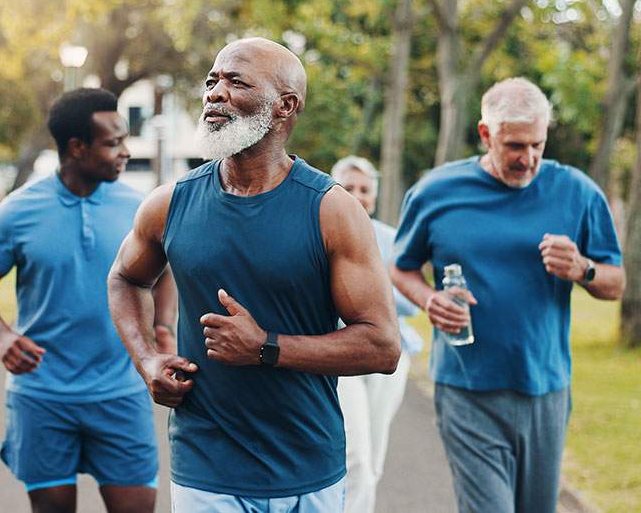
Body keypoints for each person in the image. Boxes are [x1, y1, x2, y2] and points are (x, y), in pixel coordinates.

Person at [108, 37, 401, 512]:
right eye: (211, 81)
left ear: (286, 105)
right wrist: (146, 360)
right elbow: (125, 278)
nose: (215, 93)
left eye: (235, 81)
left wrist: (266, 347)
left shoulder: (331, 210)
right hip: (206, 465)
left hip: (308, 466)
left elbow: (382, 346)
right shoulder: (170, 203)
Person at [390, 77, 626, 513]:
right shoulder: (435, 193)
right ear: (485, 134)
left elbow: (616, 283)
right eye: (515, 146)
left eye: (537, 144)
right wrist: (429, 300)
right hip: (465, 387)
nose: (529, 158)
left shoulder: (576, 191)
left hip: (545, 388)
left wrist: (583, 269)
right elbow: (401, 268)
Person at [0, 88, 176, 513]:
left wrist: (163, 329)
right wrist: (2, 337)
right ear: (77, 148)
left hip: (120, 393)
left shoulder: (140, 210)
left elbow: (165, 272)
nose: (126, 152)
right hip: (42, 396)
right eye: (113, 143)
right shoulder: (18, 211)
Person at [330, 156, 423, 513]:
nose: (358, 195)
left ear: (375, 194)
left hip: (390, 355)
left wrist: (369, 297)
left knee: (374, 458)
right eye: (349, 187)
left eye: (365, 189)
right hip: (342, 354)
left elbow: (411, 302)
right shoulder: (324, 232)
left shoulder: (391, 239)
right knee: (356, 459)